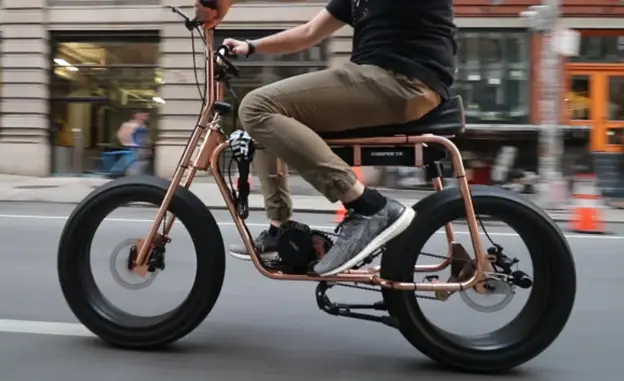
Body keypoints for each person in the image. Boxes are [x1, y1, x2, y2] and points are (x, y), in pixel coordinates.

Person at [200, 0, 457, 276]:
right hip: (377, 79)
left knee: (256, 106)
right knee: (269, 119)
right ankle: (281, 228)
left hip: (406, 80)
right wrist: (251, 46)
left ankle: (368, 206)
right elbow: (310, 32)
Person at [116, 110, 151, 175]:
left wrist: (147, 148)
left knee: (141, 169)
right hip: (134, 151)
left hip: (142, 152)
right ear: (136, 115)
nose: (147, 116)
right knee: (134, 170)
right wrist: (132, 144)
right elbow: (121, 135)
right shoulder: (130, 125)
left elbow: (145, 139)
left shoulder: (143, 126)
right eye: (144, 114)